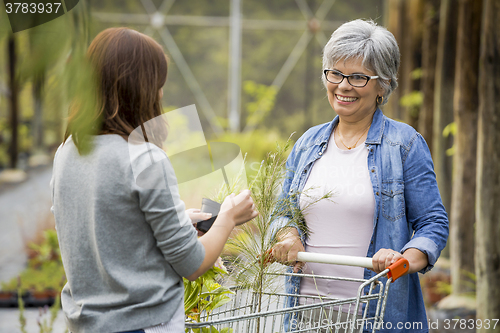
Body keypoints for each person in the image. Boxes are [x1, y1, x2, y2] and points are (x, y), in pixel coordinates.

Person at [50, 27, 258, 333]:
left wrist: (176, 222)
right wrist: (227, 217)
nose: (161, 93)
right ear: (140, 88)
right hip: (142, 325)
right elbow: (193, 263)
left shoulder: (67, 151)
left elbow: (100, 230)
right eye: (158, 84)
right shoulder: (144, 158)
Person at [270, 19, 449, 332]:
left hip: (375, 316)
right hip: (304, 315)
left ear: (383, 84)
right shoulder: (308, 143)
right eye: (335, 73)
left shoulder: (404, 145)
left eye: (358, 77)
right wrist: (286, 233)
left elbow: (433, 224)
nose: (343, 85)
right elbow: (282, 210)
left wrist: (403, 257)